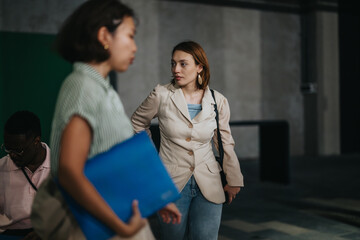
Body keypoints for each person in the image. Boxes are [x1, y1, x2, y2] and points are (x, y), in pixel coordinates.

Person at [30, 1, 181, 239]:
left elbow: (112, 164)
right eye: (130, 36)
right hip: (103, 227)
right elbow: (70, 172)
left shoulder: (101, 88)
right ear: (104, 35)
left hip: (116, 215)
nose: (135, 47)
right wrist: (119, 228)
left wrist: (151, 198)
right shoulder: (83, 87)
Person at [131, 41, 244, 239]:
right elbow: (137, 122)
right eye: (173, 63)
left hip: (209, 182)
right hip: (171, 182)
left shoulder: (218, 100)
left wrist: (234, 178)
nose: (176, 69)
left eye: (183, 64)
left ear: (200, 67)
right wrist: (152, 160)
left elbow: (225, 142)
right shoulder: (162, 94)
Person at [0, 111, 50, 240]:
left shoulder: (61, 166)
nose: (12, 155)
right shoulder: (2, 168)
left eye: (18, 150)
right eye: (8, 149)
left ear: (36, 141)